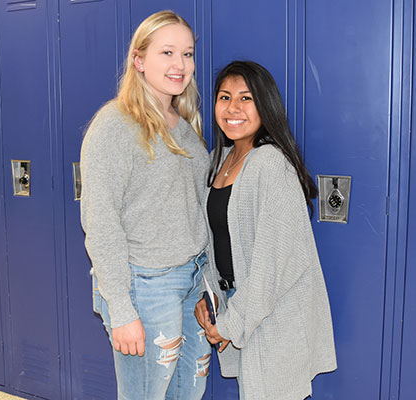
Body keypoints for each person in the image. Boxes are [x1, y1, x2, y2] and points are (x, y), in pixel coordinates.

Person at [80, 10, 211, 400]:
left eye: (187, 54)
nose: (180, 65)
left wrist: (209, 282)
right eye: (167, 52)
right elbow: (100, 220)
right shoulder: (115, 124)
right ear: (139, 60)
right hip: (146, 286)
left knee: (190, 389)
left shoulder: (184, 125)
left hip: (192, 280)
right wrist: (121, 310)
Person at [195, 61, 337, 399]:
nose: (233, 108)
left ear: (265, 105)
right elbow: (211, 243)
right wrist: (209, 298)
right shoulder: (220, 158)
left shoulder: (271, 164)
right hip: (238, 307)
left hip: (274, 316)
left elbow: (270, 269)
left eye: (246, 98)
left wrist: (229, 325)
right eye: (225, 97)